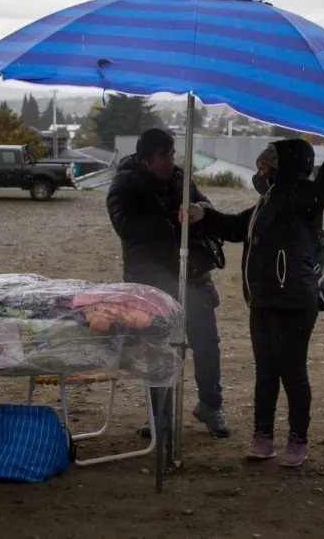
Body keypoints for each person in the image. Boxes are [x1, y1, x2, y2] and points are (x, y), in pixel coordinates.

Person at [182, 139, 324, 466]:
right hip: (262, 301)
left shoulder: (301, 196)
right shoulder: (266, 201)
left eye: (266, 165)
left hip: (294, 302)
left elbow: (322, 193)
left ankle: (298, 439)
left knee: (292, 373)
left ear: (285, 167)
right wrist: (203, 215)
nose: (259, 172)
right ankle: (263, 436)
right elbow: (235, 227)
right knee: (266, 372)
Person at [106, 128, 229, 438]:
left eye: (173, 154)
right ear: (146, 159)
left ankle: (210, 405)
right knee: (157, 347)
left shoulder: (179, 179)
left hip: (193, 277)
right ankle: (158, 414)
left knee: (206, 343)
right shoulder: (124, 184)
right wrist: (170, 221)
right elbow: (125, 225)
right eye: (164, 155)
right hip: (151, 282)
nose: (171, 161)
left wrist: (200, 212)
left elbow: (206, 206)